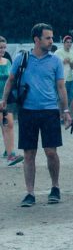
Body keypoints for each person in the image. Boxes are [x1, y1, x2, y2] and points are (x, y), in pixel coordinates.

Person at [0, 24, 71, 206]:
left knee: (51, 152)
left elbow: (61, 87)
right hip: (27, 111)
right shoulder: (21, 58)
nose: (51, 41)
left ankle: (55, 187)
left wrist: (65, 111)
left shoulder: (55, 60)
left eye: (52, 37)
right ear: (36, 39)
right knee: (29, 153)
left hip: (49, 111)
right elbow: (11, 80)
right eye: (47, 38)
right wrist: (4, 100)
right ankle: (29, 192)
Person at [0, 37, 21, 166]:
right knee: (6, 124)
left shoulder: (7, 61)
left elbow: (11, 79)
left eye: (3, 47)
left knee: (8, 124)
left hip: (6, 98)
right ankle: (10, 154)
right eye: (0, 48)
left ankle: (9, 153)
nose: (2, 50)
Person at [56, 35, 73, 114]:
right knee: (61, 98)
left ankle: (70, 116)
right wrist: (63, 62)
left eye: (70, 42)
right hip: (61, 79)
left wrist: (70, 63)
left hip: (72, 79)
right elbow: (54, 65)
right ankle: (61, 116)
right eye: (67, 42)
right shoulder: (58, 52)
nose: (69, 44)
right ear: (63, 43)